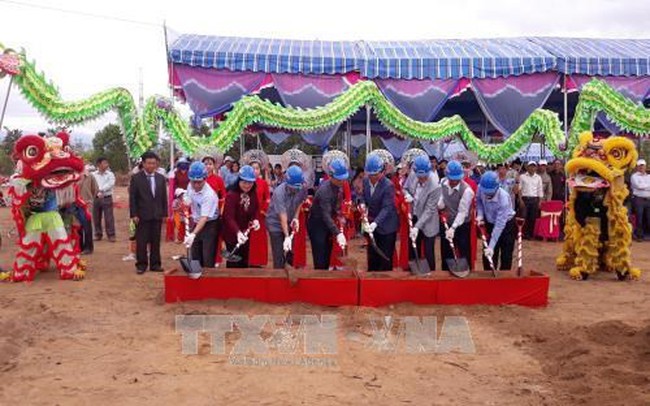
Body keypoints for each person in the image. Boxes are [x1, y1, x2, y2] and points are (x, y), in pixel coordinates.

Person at [129, 151, 168, 274]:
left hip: (157, 215)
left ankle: (155, 264)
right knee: (142, 241)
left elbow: (163, 198)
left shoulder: (161, 178)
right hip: (142, 215)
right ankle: (141, 265)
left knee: (156, 241)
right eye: (149, 163)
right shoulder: (136, 178)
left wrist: (165, 214)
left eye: (154, 163)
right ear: (144, 163)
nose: (151, 166)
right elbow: (133, 198)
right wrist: (134, 214)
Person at [308, 158, 348, 270]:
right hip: (317, 224)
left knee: (327, 252)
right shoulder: (325, 191)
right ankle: (319, 278)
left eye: (343, 179)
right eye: (339, 179)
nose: (342, 182)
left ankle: (325, 275)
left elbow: (336, 206)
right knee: (320, 255)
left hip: (328, 222)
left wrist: (340, 216)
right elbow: (325, 214)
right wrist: (338, 233)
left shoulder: (337, 187)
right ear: (331, 176)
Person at [361, 154, 399, 271]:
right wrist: (362, 205)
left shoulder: (388, 186)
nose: (372, 177)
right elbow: (364, 197)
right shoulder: (366, 182)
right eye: (370, 174)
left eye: (375, 174)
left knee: (385, 258)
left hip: (387, 226)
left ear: (382, 172)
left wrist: (375, 223)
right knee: (372, 256)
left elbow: (387, 208)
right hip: (372, 224)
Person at [266, 166, 308, 268]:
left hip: (289, 220)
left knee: (291, 252)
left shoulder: (302, 187)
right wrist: (287, 236)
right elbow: (282, 216)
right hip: (275, 223)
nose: (296, 189)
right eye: (294, 187)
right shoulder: (279, 192)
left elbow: (300, 201)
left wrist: (296, 217)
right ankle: (278, 276)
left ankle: (288, 269)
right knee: (279, 254)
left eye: (298, 186)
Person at [438, 160, 475, 271]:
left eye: (456, 179)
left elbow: (462, 212)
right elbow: (440, 197)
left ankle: (465, 272)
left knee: (463, 250)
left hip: (462, 224)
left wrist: (453, 228)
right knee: (446, 250)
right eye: (451, 179)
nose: (454, 181)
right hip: (446, 221)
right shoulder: (442, 182)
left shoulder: (467, 190)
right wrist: (440, 204)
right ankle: (446, 272)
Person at [476, 171, 516, 271]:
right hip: (489, 223)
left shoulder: (503, 199)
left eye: (490, 193)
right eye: (486, 192)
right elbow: (479, 201)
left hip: (506, 225)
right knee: (488, 256)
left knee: (506, 254)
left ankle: (504, 280)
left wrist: (491, 246)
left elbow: (499, 225)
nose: (487, 195)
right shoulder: (480, 188)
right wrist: (480, 215)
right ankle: (488, 279)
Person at [406, 156, 440, 271]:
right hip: (414, 216)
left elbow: (429, 210)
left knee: (428, 250)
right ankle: (413, 271)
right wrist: (407, 195)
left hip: (428, 221)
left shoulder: (435, 185)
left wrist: (417, 227)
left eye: (424, 176)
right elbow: (405, 188)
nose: (421, 179)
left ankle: (431, 274)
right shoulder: (413, 174)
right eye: (418, 176)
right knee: (413, 246)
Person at [222, 165, 260, 268]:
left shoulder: (253, 193)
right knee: (234, 260)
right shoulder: (232, 195)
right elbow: (229, 217)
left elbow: (256, 208)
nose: (247, 185)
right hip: (231, 233)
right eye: (244, 182)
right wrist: (238, 232)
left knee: (244, 258)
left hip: (246, 231)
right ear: (239, 180)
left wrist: (256, 219)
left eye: (250, 183)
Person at [183, 162, 220, 267]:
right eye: (193, 182)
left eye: (199, 182)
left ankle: (209, 279)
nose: (196, 185)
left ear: (205, 179)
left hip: (210, 223)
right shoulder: (190, 186)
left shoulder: (209, 195)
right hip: (196, 220)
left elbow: (204, 218)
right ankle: (196, 276)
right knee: (195, 252)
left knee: (207, 254)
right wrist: (186, 200)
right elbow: (188, 195)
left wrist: (193, 234)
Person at [202, 154, 227, 267]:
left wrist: (221, 211)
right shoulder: (199, 178)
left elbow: (223, 196)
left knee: (214, 237)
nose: (208, 166)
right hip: (201, 212)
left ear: (214, 166)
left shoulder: (218, 179)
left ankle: (216, 259)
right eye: (206, 164)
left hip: (215, 212)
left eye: (210, 164)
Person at [248, 159, 270, 267]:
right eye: (253, 168)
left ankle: (258, 261)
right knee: (248, 237)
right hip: (247, 215)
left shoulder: (263, 183)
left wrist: (263, 210)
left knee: (259, 239)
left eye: (257, 168)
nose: (255, 171)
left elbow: (267, 199)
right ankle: (248, 260)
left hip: (260, 216)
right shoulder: (246, 182)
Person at [92, 157, 116, 242]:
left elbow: (111, 184)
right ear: (98, 164)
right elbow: (92, 185)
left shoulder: (110, 174)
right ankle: (98, 234)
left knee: (109, 217)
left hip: (107, 197)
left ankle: (111, 235)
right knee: (96, 217)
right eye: (104, 163)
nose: (107, 165)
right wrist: (97, 192)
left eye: (107, 163)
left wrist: (101, 190)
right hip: (96, 198)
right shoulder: (93, 175)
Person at [167, 158, 190, 242]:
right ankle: (180, 236)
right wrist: (177, 194)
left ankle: (188, 235)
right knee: (180, 218)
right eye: (181, 164)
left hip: (188, 196)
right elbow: (173, 185)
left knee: (188, 217)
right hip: (179, 196)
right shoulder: (175, 173)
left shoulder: (189, 173)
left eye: (185, 164)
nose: (183, 166)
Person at [519, 161, 543, 239]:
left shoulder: (538, 177)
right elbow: (519, 189)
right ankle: (523, 233)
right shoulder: (522, 176)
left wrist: (540, 201)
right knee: (523, 217)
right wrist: (520, 200)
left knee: (533, 218)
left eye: (534, 166)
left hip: (534, 199)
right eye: (530, 166)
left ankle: (530, 234)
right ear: (527, 167)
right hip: (525, 199)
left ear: (536, 168)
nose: (532, 168)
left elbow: (540, 190)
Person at [78, 164, 98, 254]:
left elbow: (95, 189)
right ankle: (79, 247)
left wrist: (90, 200)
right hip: (75, 205)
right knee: (78, 227)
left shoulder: (89, 176)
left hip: (87, 204)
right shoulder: (72, 176)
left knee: (87, 226)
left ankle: (88, 248)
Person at [631, 158, 650, 241]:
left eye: (643, 166)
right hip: (639, 199)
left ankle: (648, 235)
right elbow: (638, 186)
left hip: (648, 199)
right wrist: (648, 187)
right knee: (639, 218)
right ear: (637, 167)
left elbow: (642, 186)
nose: (642, 168)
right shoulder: (634, 176)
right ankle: (639, 236)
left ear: (645, 167)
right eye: (640, 166)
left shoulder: (649, 176)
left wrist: (644, 186)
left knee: (649, 218)